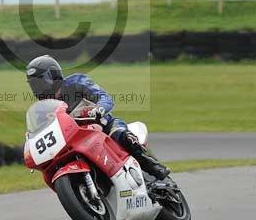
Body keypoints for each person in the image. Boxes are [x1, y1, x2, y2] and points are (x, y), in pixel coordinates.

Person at [25, 55, 170, 180]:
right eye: (33, 85)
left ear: (54, 76)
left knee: (121, 135)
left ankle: (153, 167)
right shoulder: (42, 109)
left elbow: (104, 98)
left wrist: (98, 109)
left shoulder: (76, 83)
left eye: (40, 83)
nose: (37, 89)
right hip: (75, 141)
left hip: (103, 124)